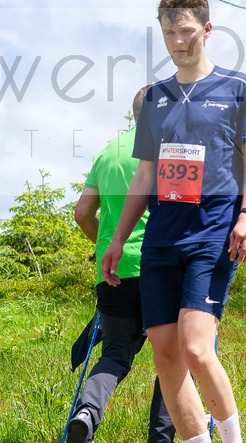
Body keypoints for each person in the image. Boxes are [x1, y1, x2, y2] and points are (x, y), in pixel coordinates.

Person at [102, 0, 246, 443]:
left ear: (207, 30)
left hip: (213, 233)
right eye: (169, 31)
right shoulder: (155, 98)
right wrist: (118, 239)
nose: (178, 39)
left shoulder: (238, 89)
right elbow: (145, 177)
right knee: (165, 352)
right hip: (160, 239)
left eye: (187, 30)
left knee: (196, 346)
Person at [67, 87, 176, 443]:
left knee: (115, 352)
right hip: (159, 269)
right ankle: (162, 438)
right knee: (172, 358)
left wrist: (105, 247)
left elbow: (83, 214)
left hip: (112, 271)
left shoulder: (107, 153)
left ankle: (86, 412)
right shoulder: (169, 151)